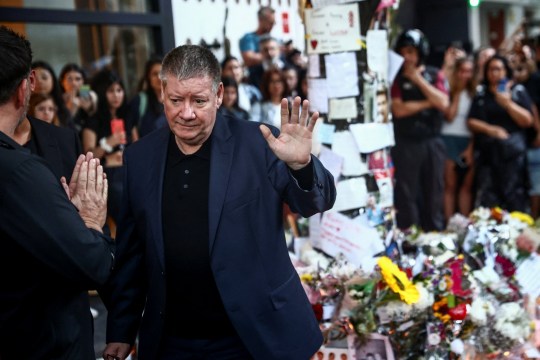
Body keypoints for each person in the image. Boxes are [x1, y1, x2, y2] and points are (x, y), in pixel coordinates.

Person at [102, 44, 336, 360]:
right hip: (173, 341)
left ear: (219, 94)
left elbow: (315, 202)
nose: (186, 113)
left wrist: (301, 165)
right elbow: (133, 255)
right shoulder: (140, 157)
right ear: (162, 92)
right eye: (176, 100)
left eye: (198, 101)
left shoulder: (260, 142)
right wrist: (121, 329)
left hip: (255, 336)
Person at [0, 25, 114, 359]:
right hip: (34, 336)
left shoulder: (61, 141)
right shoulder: (21, 170)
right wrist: (88, 223)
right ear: (26, 89)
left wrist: (121, 323)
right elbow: (92, 251)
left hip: (67, 319)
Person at [390, 29, 449, 231]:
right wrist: (427, 103)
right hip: (406, 142)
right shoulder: (395, 78)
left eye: (411, 51)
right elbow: (398, 109)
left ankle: (434, 234)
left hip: (432, 141)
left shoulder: (434, 74)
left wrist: (417, 80)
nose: (407, 57)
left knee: (434, 190)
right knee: (406, 192)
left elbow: (443, 102)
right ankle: (410, 236)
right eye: (403, 51)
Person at [468, 54, 533, 211]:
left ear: (505, 71)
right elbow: (471, 120)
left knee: (514, 198)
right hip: (488, 156)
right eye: (490, 69)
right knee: (489, 200)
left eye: (498, 69)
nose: (494, 73)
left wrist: (507, 103)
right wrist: (491, 130)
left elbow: (528, 120)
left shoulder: (517, 91)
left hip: (512, 156)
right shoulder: (481, 94)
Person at [83, 69, 132, 227]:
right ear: (102, 92)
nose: (116, 95)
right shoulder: (94, 120)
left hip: (129, 172)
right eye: (111, 91)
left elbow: (138, 146)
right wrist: (107, 143)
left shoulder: (127, 117)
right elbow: (88, 156)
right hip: (108, 176)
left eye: (119, 90)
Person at [441, 56, 475, 221]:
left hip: (468, 140)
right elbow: (449, 116)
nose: (465, 75)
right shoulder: (447, 90)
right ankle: (449, 224)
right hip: (448, 139)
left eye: (469, 71)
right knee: (450, 185)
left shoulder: (475, 93)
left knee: (466, 186)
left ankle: (466, 224)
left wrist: (470, 147)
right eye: (462, 71)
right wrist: (457, 93)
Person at [126, 55, 167, 139]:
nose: (159, 78)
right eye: (155, 74)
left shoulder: (176, 99)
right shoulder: (139, 101)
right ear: (148, 78)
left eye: (162, 73)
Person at [239, 6, 276, 83]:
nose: (272, 26)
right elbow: (249, 58)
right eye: (270, 22)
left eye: (273, 23)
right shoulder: (249, 38)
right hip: (256, 81)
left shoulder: (274, 39)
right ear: (260, 20)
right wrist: (271, 55)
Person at [32, 60, 72, 128]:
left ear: (53, 80)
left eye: (44, 78)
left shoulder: (62, 108)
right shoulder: (21, 111)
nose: (39, 82)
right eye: (34, 79)